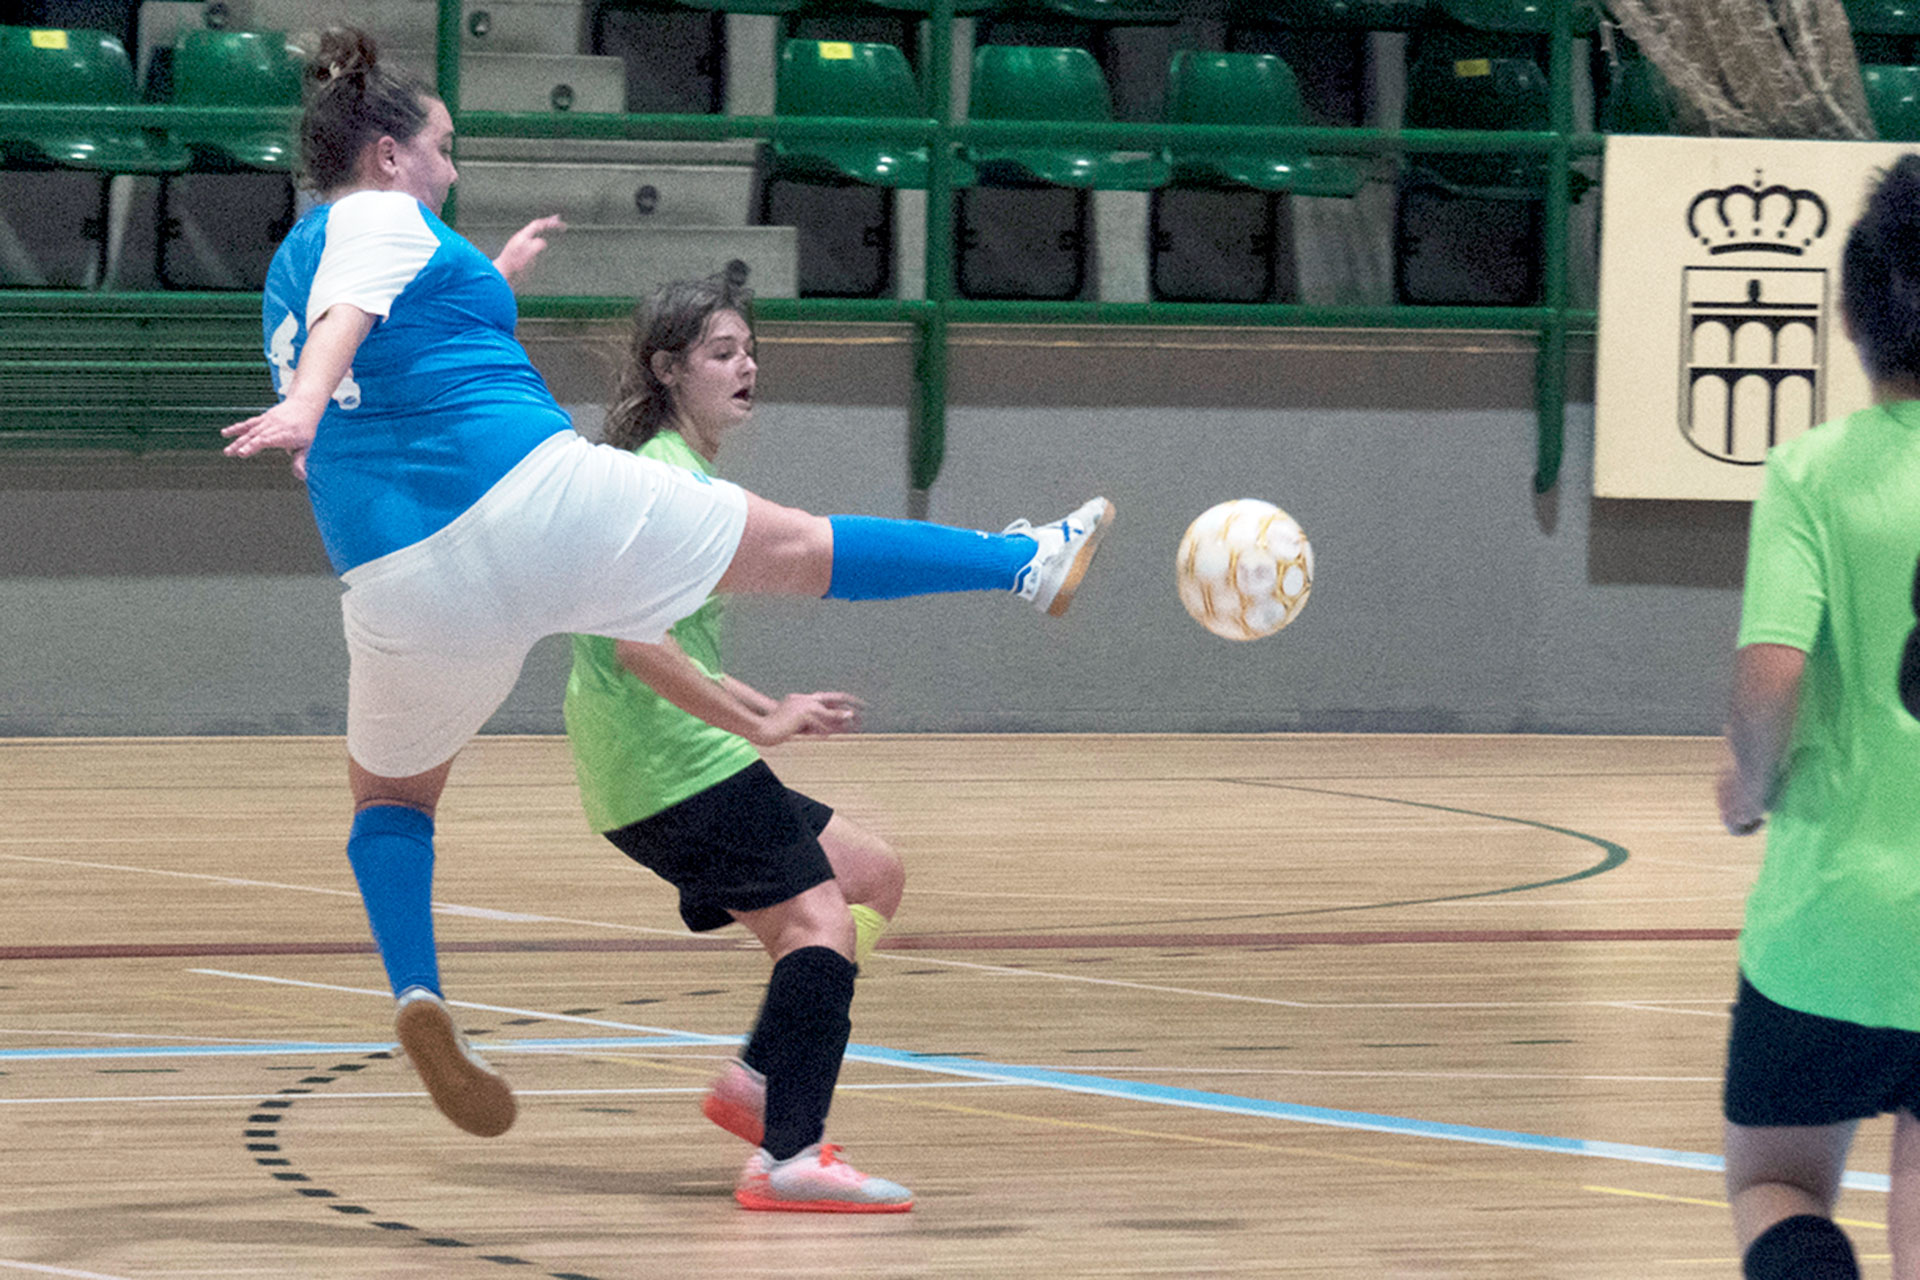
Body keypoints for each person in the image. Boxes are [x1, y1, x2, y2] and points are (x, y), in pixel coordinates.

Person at [219, 28, 1114, 1153]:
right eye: (442, 149)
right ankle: (1022, 561)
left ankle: (417, 988)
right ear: (388, 155)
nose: (450, 169)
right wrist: (305, 403)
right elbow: (352, 317)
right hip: (526, 500)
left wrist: (482, 286)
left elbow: (376, 345)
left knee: (392, 802)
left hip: (400, 579)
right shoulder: (375, 219)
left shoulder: (289, 268)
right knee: (799, 549)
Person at [565, 274, 917, 1212]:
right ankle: (788, 1156)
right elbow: (639, 648)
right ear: (668, 370)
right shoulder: (666, 483)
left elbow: (678, 645)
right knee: (820, 923)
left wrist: (771, 704)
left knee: (870, 874)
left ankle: (761, 1079)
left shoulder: (673, 469)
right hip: (665, 768)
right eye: (722, 353)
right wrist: (759, 725)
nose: (746, 365)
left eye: (749, 350)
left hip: (664, 762)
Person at [1716, 153, 1920, 1280]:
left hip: (1830, 930)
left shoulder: (1813, 474)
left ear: (1850, 316)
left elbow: (1772, 672)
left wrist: (1749, 789)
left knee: (1777, 1183)